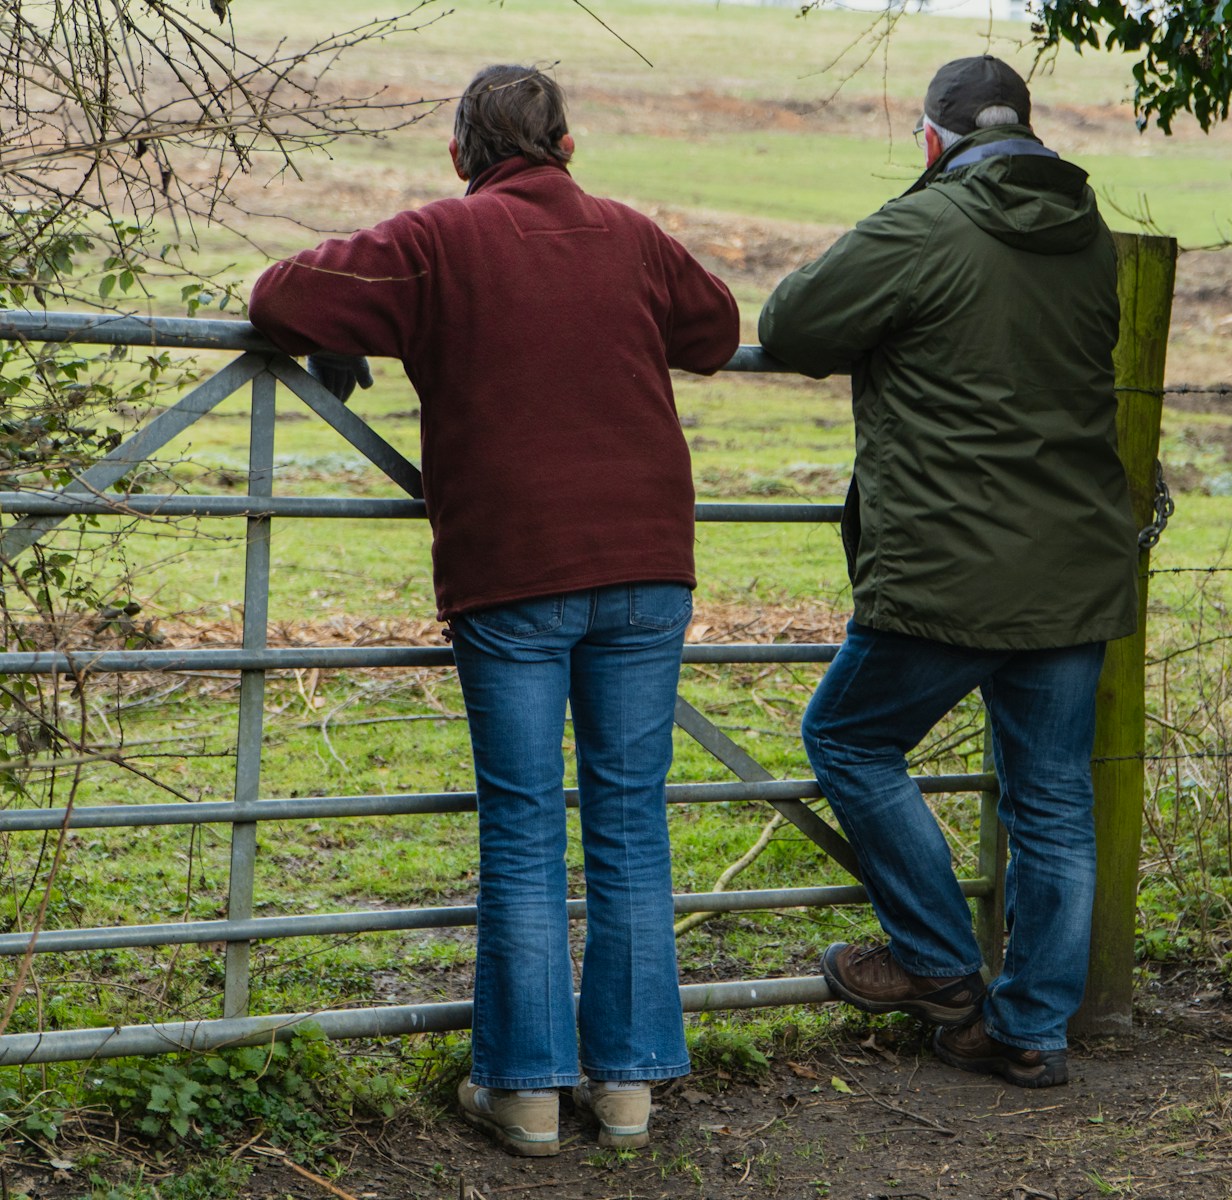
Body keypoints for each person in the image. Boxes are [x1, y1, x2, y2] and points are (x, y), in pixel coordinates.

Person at [249, 65, 739, 1154]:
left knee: (522, 829)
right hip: (647, 563)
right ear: (565, 144)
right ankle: (625, 1091)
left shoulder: (435, 239)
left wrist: (353, 331)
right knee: (628, 821)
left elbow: (279, 294)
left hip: (512, 566)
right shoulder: (630, 233)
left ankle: (523, 1093)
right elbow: (712, 330)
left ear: (464, 153)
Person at [757, 55, 1137, 1088]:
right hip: (1071, 564)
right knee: (1053, 799)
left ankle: (933, 965)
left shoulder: (924, 223)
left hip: (946, 567)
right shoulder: (1087, 235)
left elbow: (789, 327)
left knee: (846, 735)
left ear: (933, 140)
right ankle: (1028, 1031)